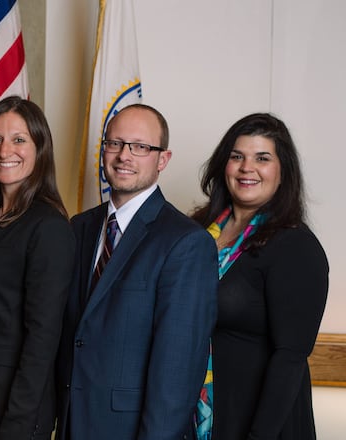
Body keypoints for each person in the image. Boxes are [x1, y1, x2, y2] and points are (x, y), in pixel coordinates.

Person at [55, 104, 219, 440]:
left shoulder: (186, 242)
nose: (123, 156)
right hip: (73, 422)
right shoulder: (80, 228)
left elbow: (177, 371)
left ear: (163, 159)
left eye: (140, 147)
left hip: (130, 431)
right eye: (115, 144)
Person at [190, 113, 328, 440]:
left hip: (258, 423)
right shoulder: (195, 234)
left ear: (283, 173)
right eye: (237, 156)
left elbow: (290, 359)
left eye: (262, 158)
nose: (246, 167)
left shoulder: (295, 246)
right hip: (194, 415)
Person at [0, 96, 75, 440]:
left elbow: (43, 336)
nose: (5, 149)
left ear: (40, 149)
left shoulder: (47, 226)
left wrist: (18, 424)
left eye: (19, 139)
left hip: (11, 411)